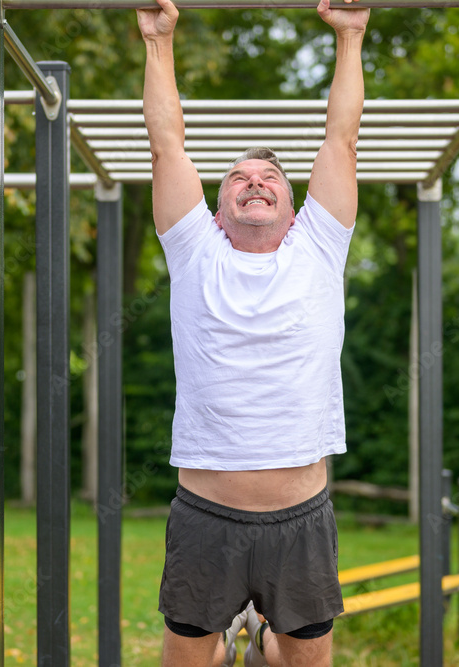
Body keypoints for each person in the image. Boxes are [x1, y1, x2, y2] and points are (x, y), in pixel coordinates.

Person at [136, 0, 369, 664]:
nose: (255, 182)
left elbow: (341, 140)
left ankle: (263, 638)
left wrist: (349, 37)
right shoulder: (194, 250)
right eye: (239, 176)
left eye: (271, 178)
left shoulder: (320, 247)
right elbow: (167, 144)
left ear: (297, 211)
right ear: (215, 208)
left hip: (301, 521)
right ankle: (236, 638)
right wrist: (159, 42)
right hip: (206, 517)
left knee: (302, 660)